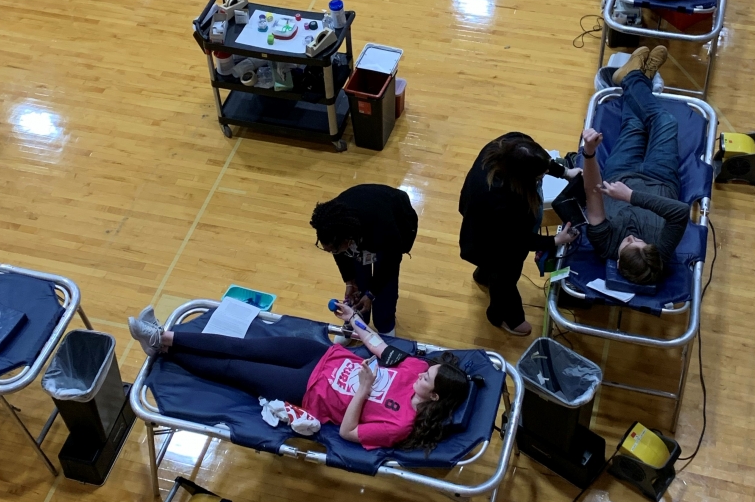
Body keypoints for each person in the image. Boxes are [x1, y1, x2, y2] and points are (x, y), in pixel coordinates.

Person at [128, 301, 470, 452]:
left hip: (307, 391)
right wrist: (354, 319)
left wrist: (364, 390)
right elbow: (376, 344)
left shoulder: (401, 425)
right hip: (323, 355)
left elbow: (350, 432)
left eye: (429, 378)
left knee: (234, 370)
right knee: (243, 347)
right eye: (429, 368)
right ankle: (163, 337)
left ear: (434, 396)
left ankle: (164, 349)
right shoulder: (413, 368)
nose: (424, 371)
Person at [582, 46, 691, 285]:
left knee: (634, 124)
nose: (632, 238)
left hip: (620, 171)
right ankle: (635, 78)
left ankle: (636, 77)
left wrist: (589, 154)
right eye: (641, 241)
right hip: (660, 177)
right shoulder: (659, 252)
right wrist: (631, 196)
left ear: (617, 262)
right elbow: (680, 213)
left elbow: (592, 192)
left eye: (629, 244)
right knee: (666, 122)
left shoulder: (606, 245)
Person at [459, 133, 580, 336]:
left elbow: (540, 161)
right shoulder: (504, 200)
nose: (542, 178)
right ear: (521, 178)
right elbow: (517, 240)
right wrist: (555, 240)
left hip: (483, 227)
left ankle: (483, 276)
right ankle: (503, 316)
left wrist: (565, 172)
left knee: (491, 268)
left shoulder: (511, 144)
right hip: (495, 243)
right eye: (538, 177)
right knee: (505, 277)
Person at [310, 184, 418, 337]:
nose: (332, 252)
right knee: (359, 280)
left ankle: (385, 325)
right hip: (360, 230)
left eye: (334, 249)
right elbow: (339, 252)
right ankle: (356, 319)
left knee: (386, 285)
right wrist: (349, 280)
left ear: (347, 239)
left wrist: (371, 294)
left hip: (393, 223)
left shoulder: (382, 225)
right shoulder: (332, 224)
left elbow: (391, 261)